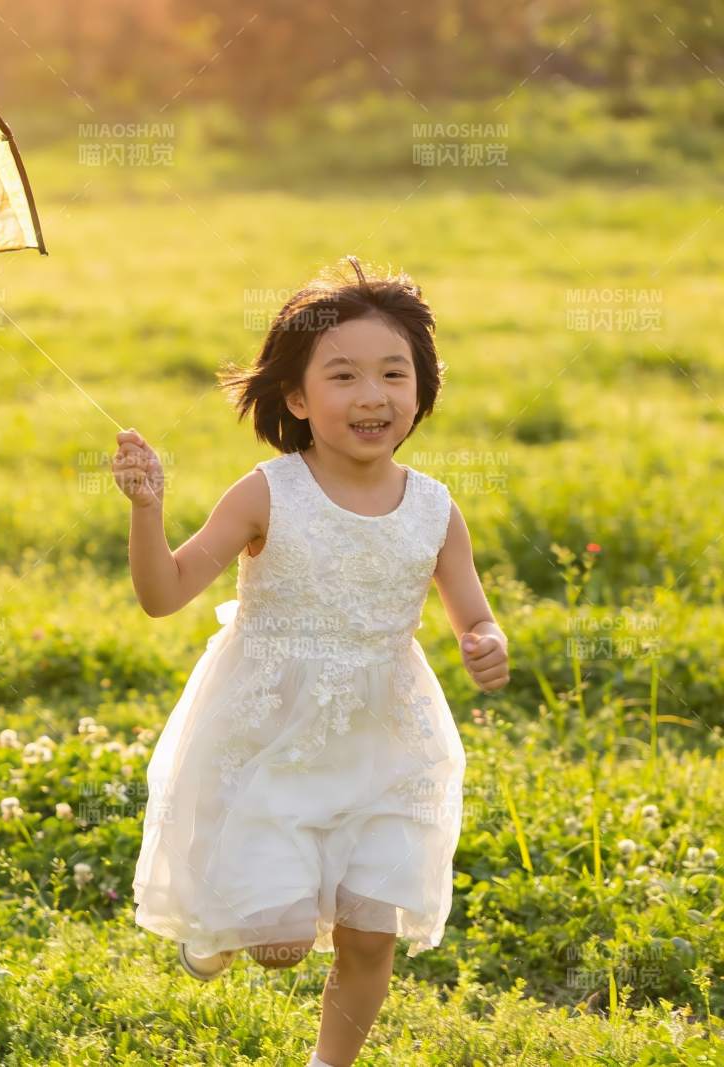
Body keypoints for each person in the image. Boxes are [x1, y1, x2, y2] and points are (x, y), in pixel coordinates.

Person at [114, 256, 509, 1067]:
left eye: (394, 373)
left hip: (387, 741)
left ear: (421, 390)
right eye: (345, 375)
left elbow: (472, 607)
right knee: (284, 944)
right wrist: (148, 512)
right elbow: (166, 593)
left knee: (371, 931)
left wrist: (484, 640)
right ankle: (227, 925)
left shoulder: (435, 506)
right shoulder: (267, 492)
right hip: (272, 737)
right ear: (297, 397)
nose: (373, 395)